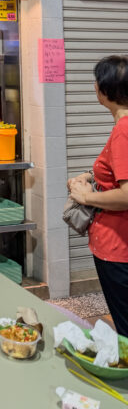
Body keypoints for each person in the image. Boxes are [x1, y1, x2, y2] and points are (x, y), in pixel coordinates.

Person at [69, 55, 128, 336]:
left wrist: (86, 197)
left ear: (105, 90)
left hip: (118, 247)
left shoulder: (123, 132)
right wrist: (91, 176)